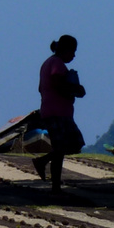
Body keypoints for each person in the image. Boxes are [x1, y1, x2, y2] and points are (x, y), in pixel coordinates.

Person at [34, 35, 86, 192]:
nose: (74, 55)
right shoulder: (57, 64)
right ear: (66, 50)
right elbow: (58, 83)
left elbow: (41, 87)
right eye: (73, 51)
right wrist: (76, 89)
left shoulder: (48, 63)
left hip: (54, 111)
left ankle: (45, 165)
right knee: (65, 147)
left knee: (68, 146)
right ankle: (53, 183)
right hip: (57, 112)